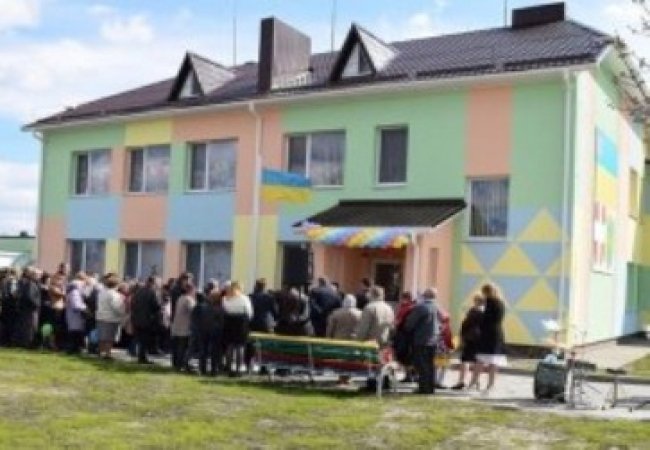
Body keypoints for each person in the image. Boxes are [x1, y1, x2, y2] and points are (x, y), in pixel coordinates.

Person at [470, 283, 507, 394]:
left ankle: (474, 382)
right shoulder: (501, 303)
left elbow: (485, 319)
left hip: (487, 334)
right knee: (493, 362)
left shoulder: (489, 303)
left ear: (486, 292)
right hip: (497, 334)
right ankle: (490, 385)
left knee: (480, 360)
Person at [402, 288, 438, 395]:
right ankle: (430, 388)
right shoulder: (436, 307)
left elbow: (410, 323)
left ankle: (424, 388)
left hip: (421, 340)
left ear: (425, 295)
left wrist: (406, 328)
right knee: (430, 365)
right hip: (433, 340)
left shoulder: (421, 307)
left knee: (421, 365)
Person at [452, 294, 484, 390]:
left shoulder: (474, 311)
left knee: (465, 360)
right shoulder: (486, 312)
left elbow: (466, 324)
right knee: (477, 361)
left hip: (470, 338)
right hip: (481, 339)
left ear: (477, 301)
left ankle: (462, 381)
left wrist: (462, 335)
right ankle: (476, 381)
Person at [222, 281, 253, 376]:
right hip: (241, 322)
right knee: (240, 346)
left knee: (230, 345)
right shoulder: (244, 298)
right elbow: (249, 312)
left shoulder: (225, 298)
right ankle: (238, 369)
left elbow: (224, 310)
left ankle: (228, 367)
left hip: (229, 321)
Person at [130, 276, 162, 364]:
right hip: (147, 319)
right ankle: (142, 357)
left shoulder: (139, 291)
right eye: (158, 283)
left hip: (137, 318)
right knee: (144, 339)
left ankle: (140, 356)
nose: (158, 285)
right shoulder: (152, 292)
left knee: (139, 338)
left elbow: (133, 304)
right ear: (153, 283)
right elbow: (156, 306)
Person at [95, 273, 126, 360]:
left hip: (101, 316)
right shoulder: (114, 294)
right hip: (111, 318)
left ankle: (100, 352)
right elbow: (117, 307)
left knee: (102, 337)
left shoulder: (101, 292)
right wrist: (123, 311)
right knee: (109, 338)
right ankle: (107, 354)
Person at [195, 290, 224, 376]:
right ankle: (213, 370)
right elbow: (222, 322)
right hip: (215, 331)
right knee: (214, 352)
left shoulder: (204, 307)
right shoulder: (220, 309)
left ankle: (202, 369)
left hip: (203, 330)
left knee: (203, 350)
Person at [170, 282, 197, 372]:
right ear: (190, 290)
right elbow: (194, 311)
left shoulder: (180, 298)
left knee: (178, 347)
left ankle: (177, 364)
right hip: (185, 327)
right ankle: (181, 365)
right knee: (183, 347)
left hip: (177, 326)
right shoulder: (189, 299)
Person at [14, 267, 42, 348]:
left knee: (30, 326)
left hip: (29, 308)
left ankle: (27, 343)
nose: (39, 277)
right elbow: (29, 297)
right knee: (30, 326)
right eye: (38, 275)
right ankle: (28, 343)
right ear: (33, 275)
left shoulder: (32, 283)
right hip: (30, 309)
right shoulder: (31, 284)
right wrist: (37, 304)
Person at [65, 274, 88, 354]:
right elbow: (76, 304)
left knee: (74, 331)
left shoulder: (72, 289)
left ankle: (74, 348)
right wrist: (85, 308)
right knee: (75, 332)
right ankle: (73, 349)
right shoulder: (75, 291)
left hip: (72, 313)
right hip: (75, 314)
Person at [0, 269, 18, 346]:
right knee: (10, 324)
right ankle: (8, 341)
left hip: (5, 305)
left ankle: (4, 340)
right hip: (10, 305)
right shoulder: (12, 282)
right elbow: (13, 294)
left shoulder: (3, 281)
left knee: (5, 324)